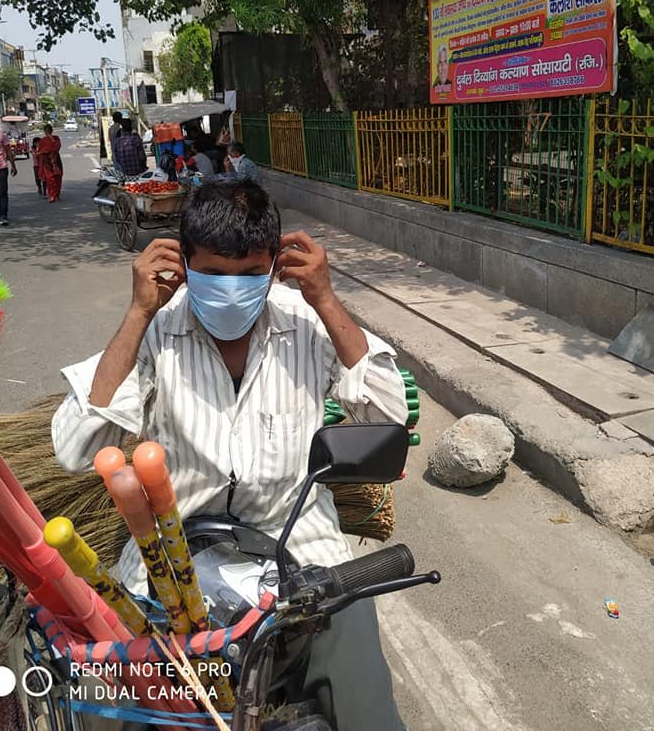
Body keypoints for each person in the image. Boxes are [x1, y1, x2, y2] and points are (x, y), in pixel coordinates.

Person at [51, 182, 408, 731]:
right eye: (215, 273)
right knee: (111, 704)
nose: (231, 290)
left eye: (249, 276)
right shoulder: (157, 330)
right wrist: (138, 311)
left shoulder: (308, 322)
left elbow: (388, 423)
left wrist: (327, 298)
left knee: (363, 693)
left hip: (302, 549)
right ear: (184, 262)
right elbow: (76, 447)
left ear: (274, 268)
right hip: (172, 555)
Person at [37, 124, 63, 203]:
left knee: (58, 178)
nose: (47, 132)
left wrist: (51, 139)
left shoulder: (56, 138)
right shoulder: (43, 140)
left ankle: (57, 195)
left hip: (55, 161)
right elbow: (41, 151)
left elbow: (57, 146)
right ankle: (52, 195)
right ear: (44, 131)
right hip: (47, 162)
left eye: (48, 130)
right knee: (49, 179)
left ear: (51, 131)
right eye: (46, 131)